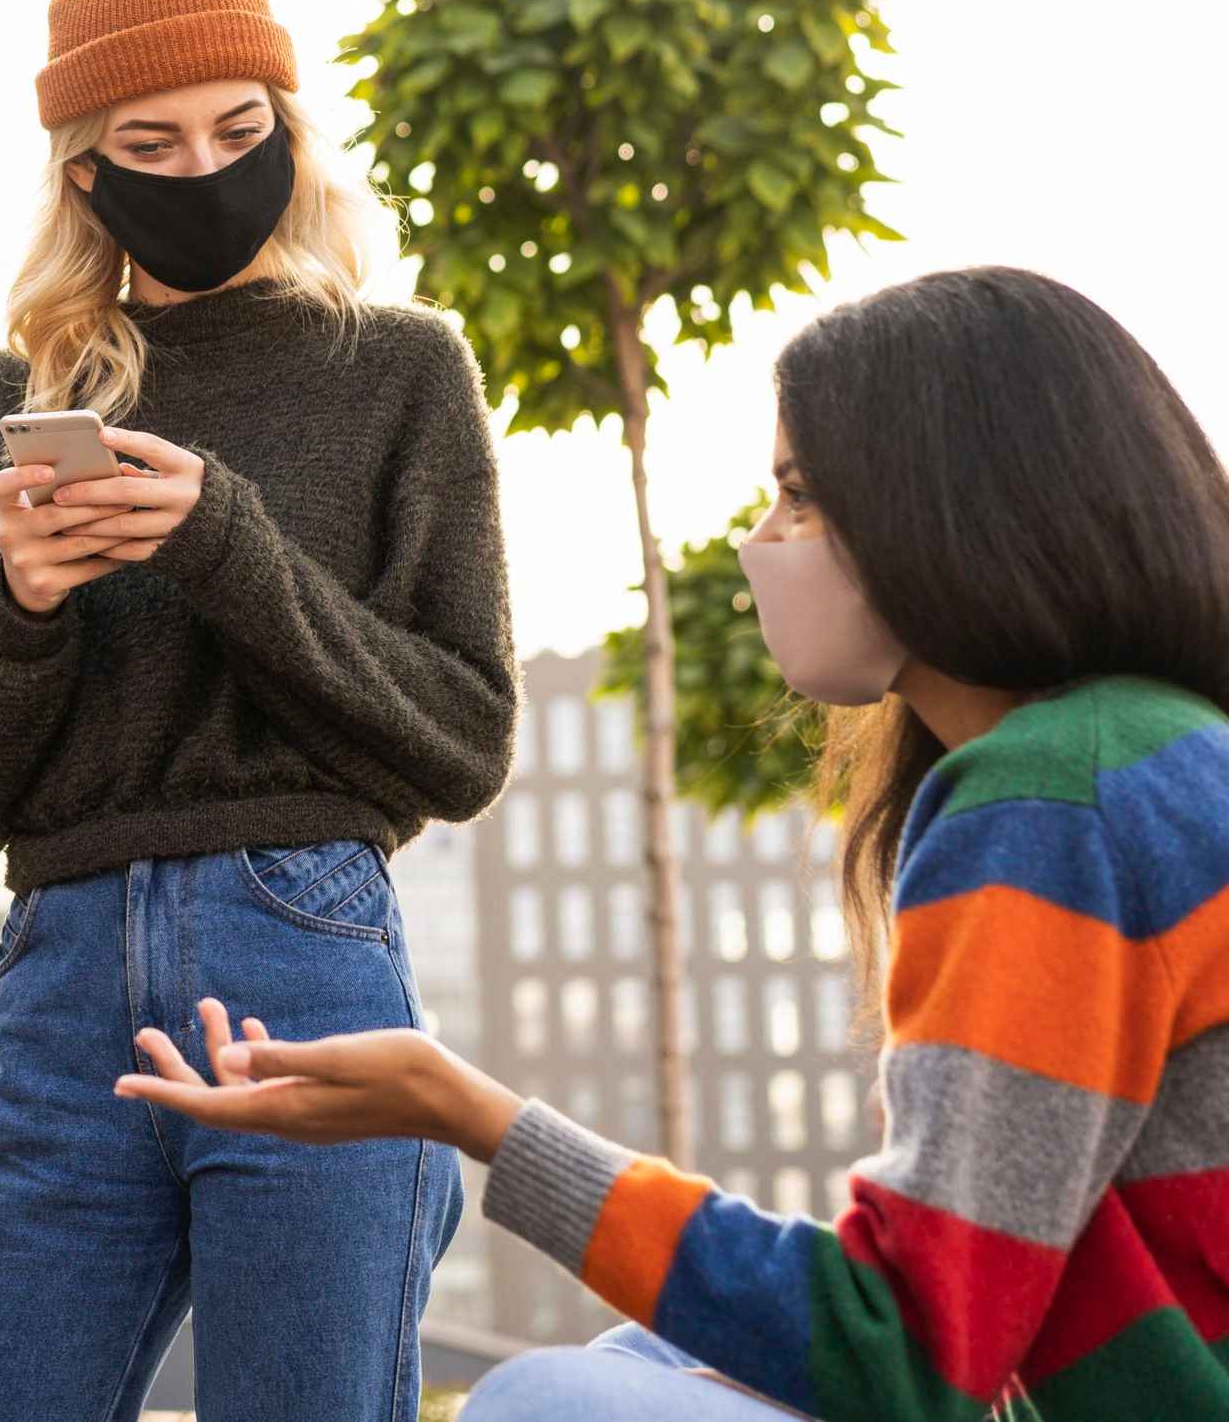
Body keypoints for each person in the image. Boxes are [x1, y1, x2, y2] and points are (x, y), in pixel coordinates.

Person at [116, 265, 1229, 1420]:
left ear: (944, 507)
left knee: (551, 1401)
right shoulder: (1156, 749)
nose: (763, 539)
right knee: (636, 1360)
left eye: (799, 494)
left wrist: (471, 1114)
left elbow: (903, 1348)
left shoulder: (1049, 802)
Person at [0, 0, 519, 1422]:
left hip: (305, 952)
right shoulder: (5, 408)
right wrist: (19, 604)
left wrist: (226, 544)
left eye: (243, 128)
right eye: (151, 139)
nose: (207, 164)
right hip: (63, 976)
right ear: (84, 170)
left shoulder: (400, 370)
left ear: (291, 131)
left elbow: (462, 736)